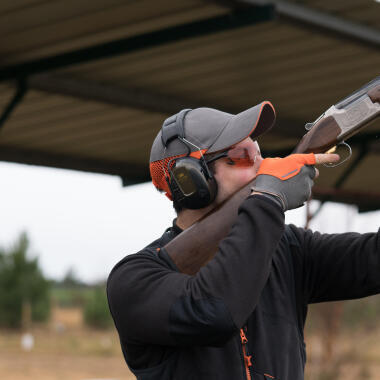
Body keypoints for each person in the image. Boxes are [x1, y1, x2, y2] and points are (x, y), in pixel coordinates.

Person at [107, 102, 379, 380]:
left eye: (259, 153)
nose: (263, 167)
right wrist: (268, 199)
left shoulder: (289, 248)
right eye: (243, 156)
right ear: (191, 180)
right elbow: (215, 311)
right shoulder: (135, 280)